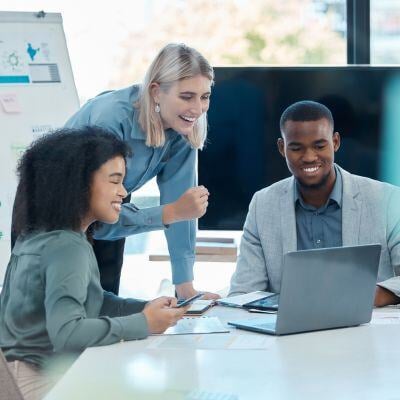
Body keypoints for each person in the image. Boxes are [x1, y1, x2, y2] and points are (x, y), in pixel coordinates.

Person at [0, 127, 188, 400]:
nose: (123, 192)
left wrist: (145, 309)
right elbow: (68, 333)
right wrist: (144, 323)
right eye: (114, 181)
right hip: (39, 384)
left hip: (18, 378)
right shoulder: (68, 246)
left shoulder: (40, 237)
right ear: (78, 183)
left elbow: (93, 300)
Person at [64, 43, 218, 300]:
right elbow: (94, 220)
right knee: (65, 321)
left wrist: (185, 287)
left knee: (105, 312)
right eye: (187, 96)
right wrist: (170, 213)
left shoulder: (182, 131)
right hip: (58, 213)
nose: (198, 108)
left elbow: (182, 208)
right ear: (156, 92)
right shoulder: (112, 119)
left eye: (205, 97)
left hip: (110, 206)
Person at [229, 100, 400, 307]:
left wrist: (372, 294)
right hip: (289, 335)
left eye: (319, 146)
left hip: (366, 330)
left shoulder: (387, 199)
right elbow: (244, 292)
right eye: (296, 148)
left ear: (335, 142)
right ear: (282, 148)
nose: (309, 157)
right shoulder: (263, 205)